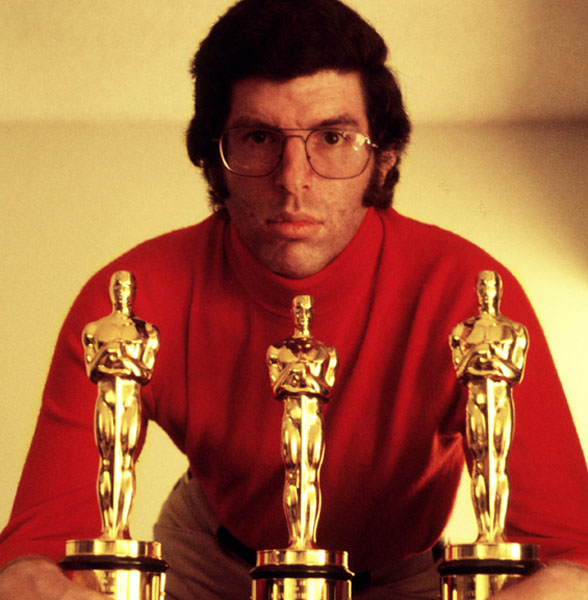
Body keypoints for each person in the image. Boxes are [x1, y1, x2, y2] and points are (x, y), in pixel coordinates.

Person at [1, 0, 587, 599]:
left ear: (382, 157)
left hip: (401, 573)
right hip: (213, 561)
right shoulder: (127, 301)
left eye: (333, 137)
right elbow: (31, 560)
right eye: (259, 137)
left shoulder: (472, 296)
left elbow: (573, 556)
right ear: (214, 156)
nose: (293, 179)